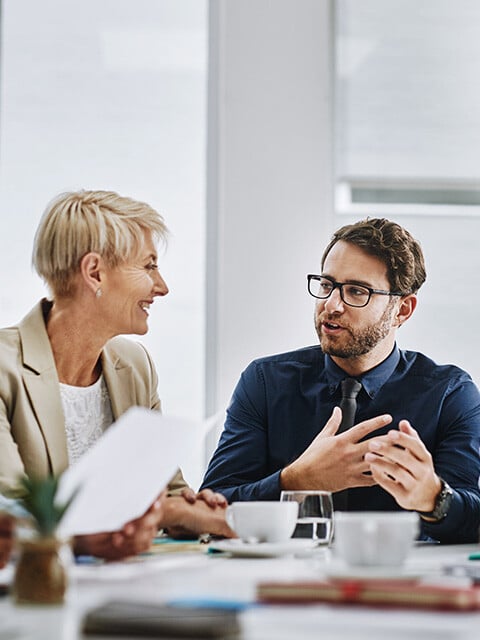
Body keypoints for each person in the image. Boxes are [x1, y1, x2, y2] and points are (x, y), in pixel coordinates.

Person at [201, 218, 480, 543]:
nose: (331, 305)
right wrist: (294, 480)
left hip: (397, 583)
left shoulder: (450, 393)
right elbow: (211, 506)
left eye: (356, 291)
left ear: (402, 310)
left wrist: (432, 498)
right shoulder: (264, 382)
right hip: (282, 580)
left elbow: (472, 518)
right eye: (326, 285)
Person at [0, 189, 232, 560]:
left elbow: (167, 494)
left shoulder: (134, 365)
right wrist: (84, 539)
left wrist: (189, 512)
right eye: (148, 265)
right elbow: (7, 515)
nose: (162, 286)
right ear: (95, 273)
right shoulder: (4, 366)